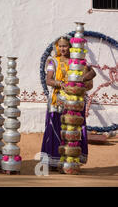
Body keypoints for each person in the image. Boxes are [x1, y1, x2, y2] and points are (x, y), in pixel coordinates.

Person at [41, 35, 96, 169]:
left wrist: (81, 80)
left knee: (74, 128)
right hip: (58, 100)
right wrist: (62, 84)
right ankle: (54, 160)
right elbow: (49, 80)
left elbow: (92, 72)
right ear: (56, 47)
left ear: (70, 47)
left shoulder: (78, 62)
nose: (62, 48)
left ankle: (72, 160)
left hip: (75, 99)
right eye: (60, 46)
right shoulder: (53, 61)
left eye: (65, 46)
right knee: (56, 128)